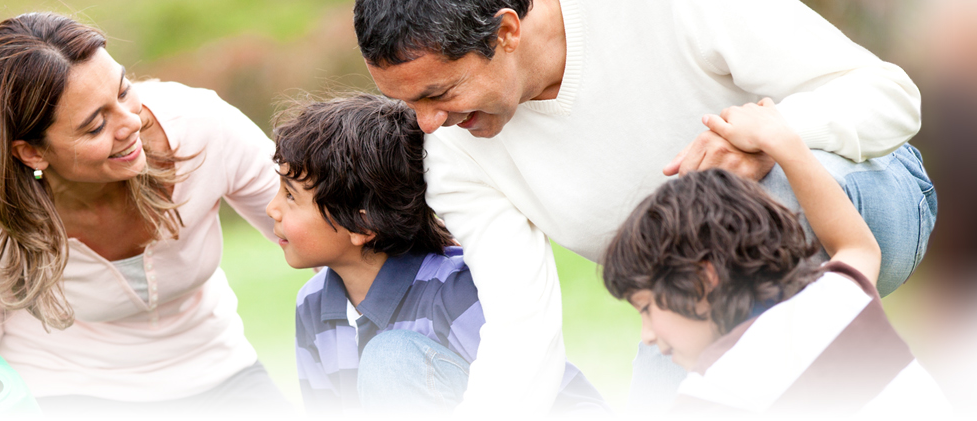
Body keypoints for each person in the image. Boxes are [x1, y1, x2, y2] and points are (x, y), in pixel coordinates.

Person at [350, 0, 935, 413]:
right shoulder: (455, 156)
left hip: (863, 196)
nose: (428, 124)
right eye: (407, 103)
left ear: (506, 32)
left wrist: (770, 137)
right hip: (686, 299)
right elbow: (520, 327)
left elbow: (890, 95)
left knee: (754, 205)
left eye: (439, 93)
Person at [0, 12, 287, 415]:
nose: (131, 122)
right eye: (95, 126)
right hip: (63, 384)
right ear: (31, 152)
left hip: (214, 366)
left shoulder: (202, 126)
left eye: (123, 91)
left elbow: (309, 223)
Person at [600, 99, 948, 415]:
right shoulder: (832, 301)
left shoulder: (715, 395)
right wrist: (782, 142)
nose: (647, 335)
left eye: (647, 309)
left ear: (702, 279)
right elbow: (857, 247)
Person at [266, 94, 607, 414]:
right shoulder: (312, 305)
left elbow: (568, 401)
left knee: (390, 359)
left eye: (291, 196)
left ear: (361, 224)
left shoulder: (454, 293)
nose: (271, 209)